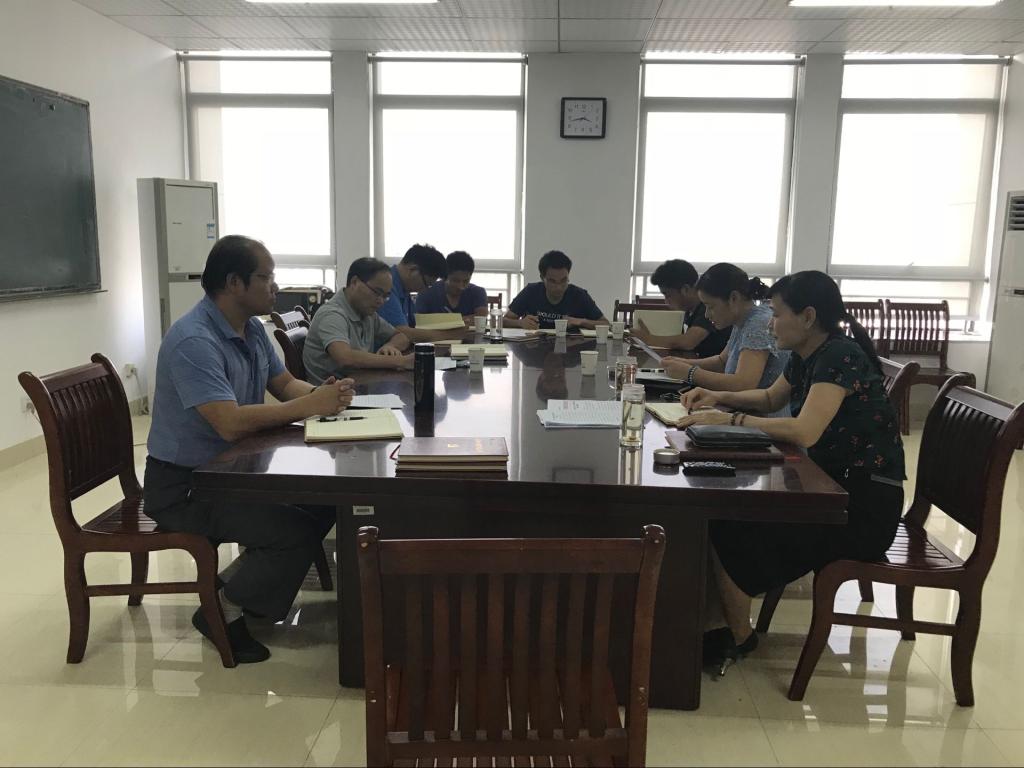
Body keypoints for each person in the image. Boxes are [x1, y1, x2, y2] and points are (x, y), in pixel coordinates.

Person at [142, 235, 355, 663]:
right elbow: (229, 423)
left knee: (325, 503)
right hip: (186, 487)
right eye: (266, 277)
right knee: (293, 531)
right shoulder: (194, 341)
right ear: (234, 283)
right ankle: (221, 609)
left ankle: (242, 589)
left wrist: (326, 396)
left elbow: (285, 385)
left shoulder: (252, 328)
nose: (275, 286)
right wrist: (308, 406)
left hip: (234, 472)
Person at [677, 270, 906, 668]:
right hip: (831, 490)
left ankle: (737, 635)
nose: (770, 323)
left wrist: (731, 420)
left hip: (861, 507)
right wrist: (713, 395)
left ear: (808, 317)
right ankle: (716, 625)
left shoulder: (839, 355)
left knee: (728, 526)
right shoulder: (808, 355)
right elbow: (769, 398)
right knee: (725, 515)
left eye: (778, 314)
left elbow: (805, 430)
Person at [661, 263, 788, 413]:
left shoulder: (758, 323)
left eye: (711, 306)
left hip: (761, 418)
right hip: (741, 412)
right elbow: (722, 362)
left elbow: (744, 384)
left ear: (733, 298)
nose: (707, 314)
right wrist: (683, 363)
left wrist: (690, 373)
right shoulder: (742, 319)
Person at [304, 257, 414, 383]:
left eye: (386, 296)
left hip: (358, 385)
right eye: (377, 292)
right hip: (329, 392)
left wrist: (390, 346)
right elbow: (345, 358)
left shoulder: (367, 313)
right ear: (354, 282)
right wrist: (402, 361)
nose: (381, 301)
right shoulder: (332, 314)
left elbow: (401, 337)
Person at [629, 259, 731, 358]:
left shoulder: (707, 308)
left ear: (685, 289)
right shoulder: (688, 309)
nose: (666, 301)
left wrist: (649, 339)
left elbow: (688, 342)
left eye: (668, 295)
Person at [504, 250, 608, 330]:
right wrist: (520, 323)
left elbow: (606, 324)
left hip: (571, 348)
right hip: (534, 347)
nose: (559, 287)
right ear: (542, 278)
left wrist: (581, 322)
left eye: (563, 280)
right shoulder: (531, 291)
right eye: (552, 281)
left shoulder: (579, 295)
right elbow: (504, 321)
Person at [377, 243, 461, 343]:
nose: (425, 290)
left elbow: (416, 324)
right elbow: (400, 332)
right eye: (426, 284)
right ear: (413, 270)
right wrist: (449, 335)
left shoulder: (404, 288)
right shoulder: (387, 286)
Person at [414, 250, 488, 323]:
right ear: (444, 277)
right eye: (455, 281)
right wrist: (463, 320)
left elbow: (481, 318)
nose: (461, 286)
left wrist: (442, 321)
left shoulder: (478, 292)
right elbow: (419, 322)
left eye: (466, 281)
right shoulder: (426, 291)